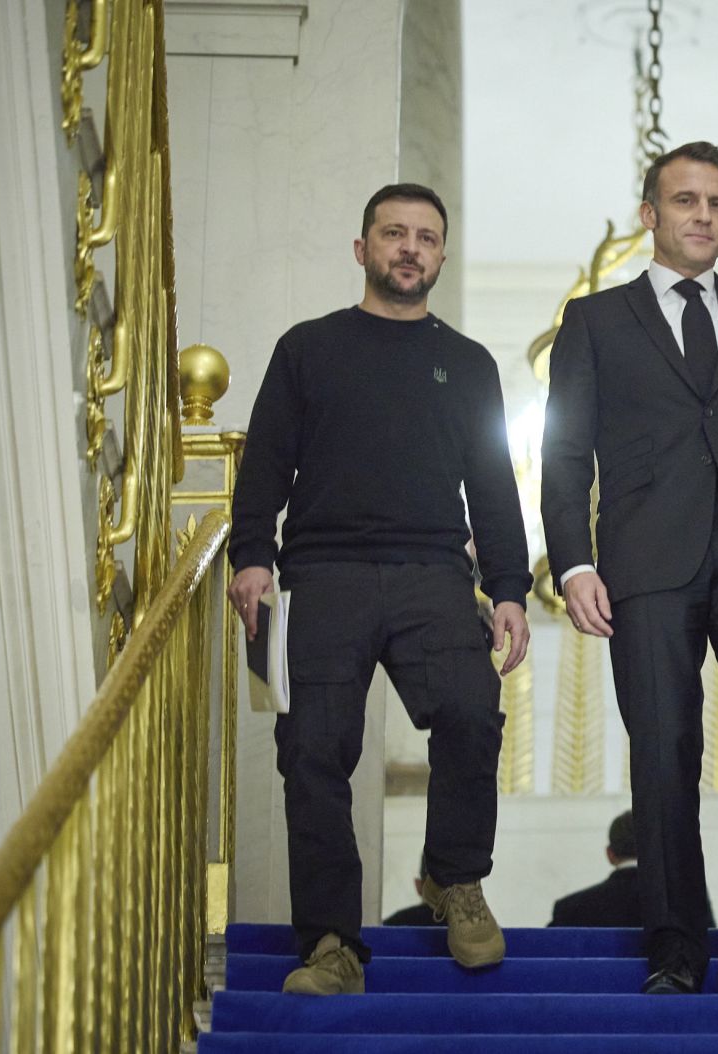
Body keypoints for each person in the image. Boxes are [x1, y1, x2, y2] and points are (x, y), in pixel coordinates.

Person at [228, 183, 532, 995]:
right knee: (313, 753)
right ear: (362, 249)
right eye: (393, 233)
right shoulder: (307, 349)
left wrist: (509, 587)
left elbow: (494, 487)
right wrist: (251, 555)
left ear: (441, 255)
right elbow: (265, 463)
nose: (410, 248)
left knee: (472, 712)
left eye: (426, 237)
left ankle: (454, 879)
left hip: (435, 572)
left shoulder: (467, 364)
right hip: (320, 575)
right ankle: (331, 944)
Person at [541, 141, 718, 997]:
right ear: (650, 215)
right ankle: (673, 942)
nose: (703, 216)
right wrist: (574, 564)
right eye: (686, 201)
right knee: (663, 746)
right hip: (647, 558)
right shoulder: (593, 322)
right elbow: (564, 456)